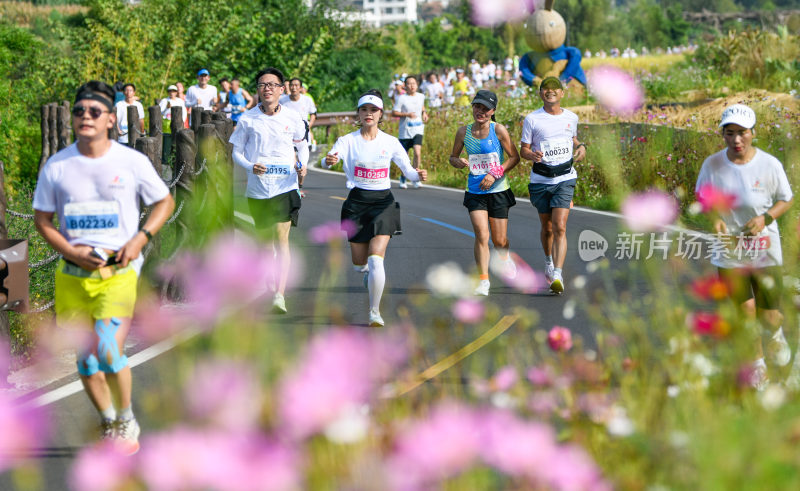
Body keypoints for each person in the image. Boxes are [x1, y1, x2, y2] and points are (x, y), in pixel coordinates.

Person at [33, 80, 174, 454]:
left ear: (111, 119)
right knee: (86, 360)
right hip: (73, 274)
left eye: (94, 111)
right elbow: (42, 219)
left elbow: (164, 201)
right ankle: (109, 418)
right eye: (79, 111)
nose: (85, 117)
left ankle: (126, 419)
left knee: (109, 349)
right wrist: (73, 253)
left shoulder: (131, 162)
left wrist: (140, 238)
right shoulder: (58, 166)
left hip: (118, 273)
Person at [695, 104, 793, 389]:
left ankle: (775, 335)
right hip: (729, 251)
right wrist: (715, 220)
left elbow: (786, 199)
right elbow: (703, 198)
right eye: (730, 133)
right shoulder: (712, 165)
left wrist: (766, 217)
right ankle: (758, 366)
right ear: (723, 135)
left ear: (753, 133)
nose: (736, 140)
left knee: (769, 315)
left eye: (742, 133)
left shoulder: (769, 164)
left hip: (765, 249)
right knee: (746, 314)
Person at [322, 89, 427, 327]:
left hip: (383, 203)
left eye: (374, 110)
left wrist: (417, 175)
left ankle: (374, 312)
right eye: (364, 110)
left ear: (381, 114)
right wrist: (327, 161)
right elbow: (328, 159)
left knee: (377, 260)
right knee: (360, 263)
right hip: (357, 202)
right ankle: (368, 274)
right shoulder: (347, 141)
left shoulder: (390, 142)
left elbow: (407, 170)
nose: (369, 114)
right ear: (358, 114)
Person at [229, 67, 309, 314]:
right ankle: (271, 284)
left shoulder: (293, 117)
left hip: (285, 186)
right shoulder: (248, 119)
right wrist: (251, 166)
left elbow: (302, 145)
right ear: (257, 89)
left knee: (281, 239)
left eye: (272, 85)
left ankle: (279, 294)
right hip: (258, 189)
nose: (267, 89)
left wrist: (302, 164)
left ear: (281, 89)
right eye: (263, 85)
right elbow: (236, 153)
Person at [449, 90, 520, 296]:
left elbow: (514, 157)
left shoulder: (498, 130)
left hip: (498, 189)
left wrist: (495, 172)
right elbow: (452, 157)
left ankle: (505, 259)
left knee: (500, 241)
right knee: (481, 234)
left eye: (485, 108)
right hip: (475, 190)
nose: (480, 111)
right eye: (477, 106)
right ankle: (484, 281)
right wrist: (458, 162)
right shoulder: (464, 132)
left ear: (493, 111)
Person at [520, 77, 586, 294]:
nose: (550, 92)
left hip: (565, 178)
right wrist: (532, 154)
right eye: (546, 90)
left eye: (554, 89)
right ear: (541, 94)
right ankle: (549, 262)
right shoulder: (532, 119)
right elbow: (524, 150)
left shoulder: (571, 117)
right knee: (547, 227)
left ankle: (557, 273)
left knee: (560, 226)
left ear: (562, 93)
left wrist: (581, 146)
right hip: (541, 180)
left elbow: (573, 139)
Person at [279, 77, 317, 198]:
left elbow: (313, 114)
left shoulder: (307, 100)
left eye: (296, 85)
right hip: (287, 138)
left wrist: (308, 126)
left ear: (300, 88)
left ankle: (299, 186)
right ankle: (290, 188)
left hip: (302, 138)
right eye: (292, 85)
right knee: (290, 163)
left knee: (301, 164)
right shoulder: (282, 100)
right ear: (288, 87)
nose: (294, 87)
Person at [392, 75, 427, 189]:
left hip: (418, 128)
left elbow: (421, 107)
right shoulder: (402, 98)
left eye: (414, 84)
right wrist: (407, 114)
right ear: (405, 86)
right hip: (405, 131)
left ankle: (415, 178)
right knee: (404, 157)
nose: (412, 86)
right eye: (409, 84)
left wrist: (424, 113)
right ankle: (403, 177)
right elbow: (394, 112)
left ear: (417, 85)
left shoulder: (421, 96)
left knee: (417, 153)